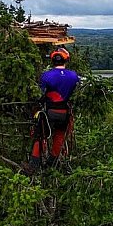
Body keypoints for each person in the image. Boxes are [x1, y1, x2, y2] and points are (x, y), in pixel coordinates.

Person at [22, 47, 80, 175]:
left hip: (50, 112)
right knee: (59, 136)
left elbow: (40, 94)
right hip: (65, 113)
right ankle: (52, 162)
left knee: (40, 135)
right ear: (66, 60)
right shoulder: (73, 76)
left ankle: (34, 165)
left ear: (53, 60)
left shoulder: (47, 76)